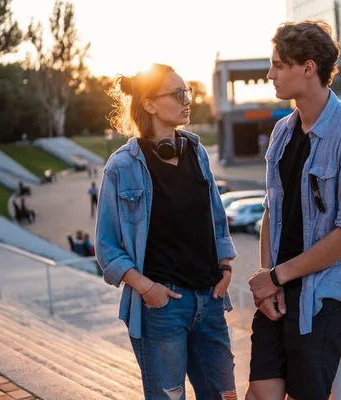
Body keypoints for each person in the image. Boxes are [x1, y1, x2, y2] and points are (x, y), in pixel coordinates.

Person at [245, 21, 341, 400]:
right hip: (278, 287)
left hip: (324, 297)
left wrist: (277, 276)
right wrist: (267, 279)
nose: (269, 74)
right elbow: (271, 211)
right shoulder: (282, 132)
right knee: (260, 391)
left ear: (308, 68)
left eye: (278, 65)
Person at [95, 63, 238, 400]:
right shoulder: (121, 167)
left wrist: (227, 267)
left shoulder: (198, 152)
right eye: (178, 94)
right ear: (149, 104)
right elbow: (106, 247)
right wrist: (147, 289)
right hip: (162, 307)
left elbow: (217, 219)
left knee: (224, 395)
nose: (187, 100)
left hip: (211, 300)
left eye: (187, 92)